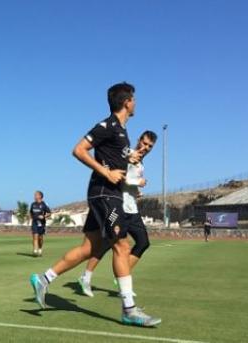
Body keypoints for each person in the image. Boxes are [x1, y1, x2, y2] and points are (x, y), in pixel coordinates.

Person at [29, 82, 161, 327]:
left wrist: (127, 158)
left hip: (108, 194)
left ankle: (43, 279)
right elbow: (79, 150)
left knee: (89, 248)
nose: (136, 102)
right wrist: (106, 173)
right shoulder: (109, 125)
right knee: (122, 246)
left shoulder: (121, 131)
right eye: (133, 98)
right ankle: (129, 310)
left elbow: (111, 156)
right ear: (126, 102)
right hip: (104, 194)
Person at [78, 130, 157, 297]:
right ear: (139, 140)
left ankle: (122, 275)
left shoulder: (141, 163)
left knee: (143, 242)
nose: (146, 147)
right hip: (117, 206)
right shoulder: (127, 154)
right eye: (144, 143)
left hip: (132, 208)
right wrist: (138, 182)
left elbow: (128, 183)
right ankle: (86, 277)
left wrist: (136, 190)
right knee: (105, 245)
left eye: (150, 146)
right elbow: (118, 176)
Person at [29, 191, 51, 257]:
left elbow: (49, 213)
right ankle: (35, 250)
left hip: (41, 224)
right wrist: (31, 217)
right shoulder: (33, 204)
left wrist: (43, 216)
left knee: (40, 238)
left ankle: (40, 249)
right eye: (34, 195)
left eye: (36, 195)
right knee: (35, 236)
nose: (34, 196)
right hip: (34, 223)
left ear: (40, 196)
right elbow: (30, 212)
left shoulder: (44, 204)